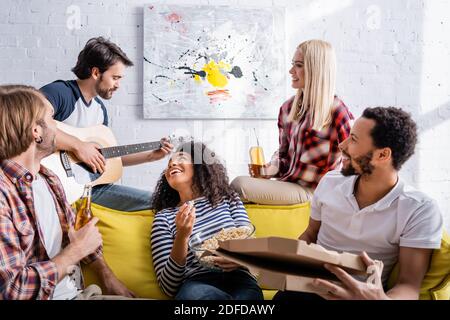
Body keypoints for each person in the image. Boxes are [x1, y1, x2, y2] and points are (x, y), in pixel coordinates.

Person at [274, 107, 443, 300]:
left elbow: (409, 286)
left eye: (353, 139)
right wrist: (279, 263)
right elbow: (310, 234)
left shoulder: (419, 209)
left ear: (382, 155)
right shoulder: (330, 181)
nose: (342, 145)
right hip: (304, 291)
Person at [0, 85, 136, 300]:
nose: (58, 128)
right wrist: (75, 252)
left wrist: (106, 276)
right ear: (36, 131)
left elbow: (77, 234)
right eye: (52, 119)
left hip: (77, 293)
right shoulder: (3, 194)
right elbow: (12, 291)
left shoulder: (48, 178)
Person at [40, 37, 173, 212]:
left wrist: (151, 156)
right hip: (49, 183)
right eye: (115, 78)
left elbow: (108, 157)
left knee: (156, 203)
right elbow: (30, 121)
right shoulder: (60, 92)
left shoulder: (99, 110)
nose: (118, 85)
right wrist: (78, 146)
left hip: (88, 187)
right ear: (96, 73)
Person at [232, 39, 353, 205]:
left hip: (315, 192)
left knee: (239, 185)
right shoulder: (288, 108)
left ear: (316, 69)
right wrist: (266, 170)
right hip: (287, 185)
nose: (291, 71)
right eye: (293, 64)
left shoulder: (337, 111)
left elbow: (355, 161)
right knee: (232, 194)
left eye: (299, 65)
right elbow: (283, 156)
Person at [150, 142, 264, 300]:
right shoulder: (164, 218)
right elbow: (169, 286)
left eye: (181, 158)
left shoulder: (227, 199)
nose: (172, 164)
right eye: (169, 164)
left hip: (239, 278)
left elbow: (252, 249)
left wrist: (239, 259)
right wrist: (182, 236)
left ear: (199, 165)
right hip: (197, 283)